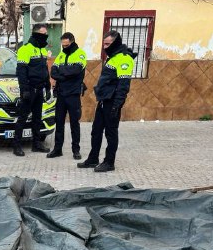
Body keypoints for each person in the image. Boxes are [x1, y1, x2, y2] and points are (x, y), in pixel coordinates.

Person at [78, 30, 136, 172]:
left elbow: (123, 85)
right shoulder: (113, 57)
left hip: (112, 102)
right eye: (104, 43)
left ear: (115, 43)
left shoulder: (124, 58)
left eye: (108, 44)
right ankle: (93, 159)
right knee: (96, 131)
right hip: (103, 100)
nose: (105, 47)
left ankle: (109, 162)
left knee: (111, 133)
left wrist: (117, 105)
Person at [12, 24, 52, 157]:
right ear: (35, 34)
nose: (45, 35)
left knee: (37, 118)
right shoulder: (25, 49)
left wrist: (47, 86)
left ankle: (36, 144)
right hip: (29, 89)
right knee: (22, 118)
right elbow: (21, 71)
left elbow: (45, 70)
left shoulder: (42, 50)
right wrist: (24, 90)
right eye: (43, 33)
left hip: (40, 89)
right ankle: (16, 146)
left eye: (46, 33)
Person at [48, 32, 87, 160]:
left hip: (73, 95)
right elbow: (53, 72)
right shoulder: (60, 55)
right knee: (59, 122)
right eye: (63, 45)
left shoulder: (80, 54)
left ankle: (76, 150)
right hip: (61, 94)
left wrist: (62, 73)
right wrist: (65, 75)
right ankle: (57, 149)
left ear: (72, 42)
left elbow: (76, 71)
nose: (64, 47)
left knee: (74, 123)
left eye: (67, 45)